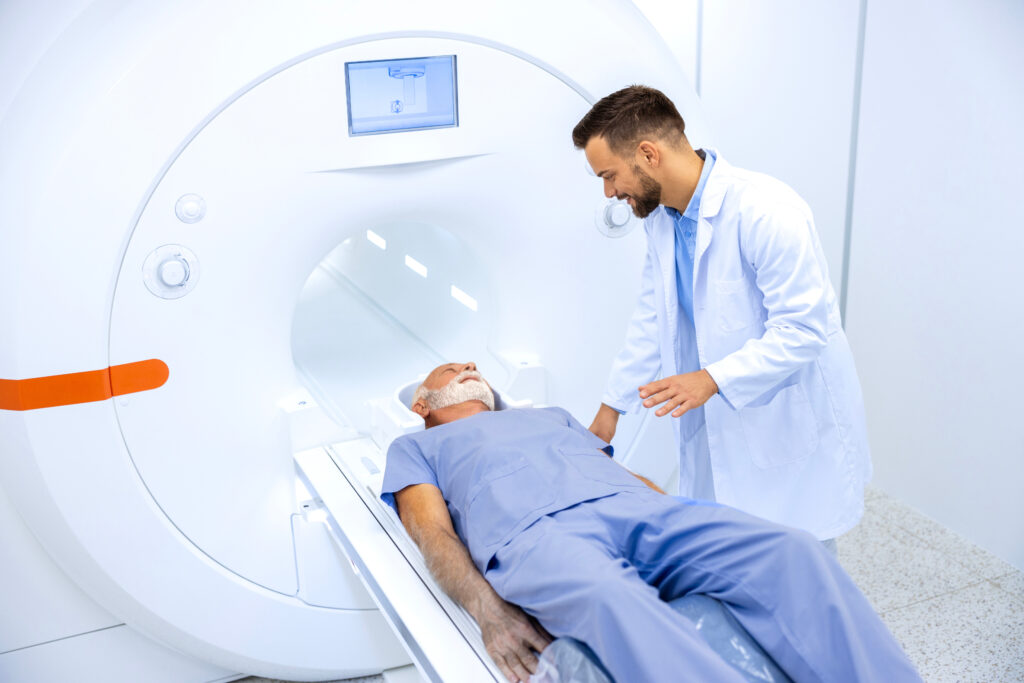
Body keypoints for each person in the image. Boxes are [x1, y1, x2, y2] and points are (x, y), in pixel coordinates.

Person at [381, 361, 920, 683]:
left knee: (792, 551)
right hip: (536, 534)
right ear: (422, 403)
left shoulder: (549, 416)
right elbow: (432, 532)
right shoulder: (416, 446)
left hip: (637, 509)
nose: (469, 368)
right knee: (612, 598)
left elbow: (626, 475)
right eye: (451, 369)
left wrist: (686, 514)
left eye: (474, 365)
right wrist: (487, 610)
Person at [577, 86, 871, 545]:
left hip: (781, 420)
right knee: (728, 551)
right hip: (718, 419)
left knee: (800, 568)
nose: (610, 192)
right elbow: (653, 315)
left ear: (648, 154)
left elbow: (803, 329)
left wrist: (711, 379)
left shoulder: (766, 210)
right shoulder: (662, 219)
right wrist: (611, 409)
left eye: (610, 175)